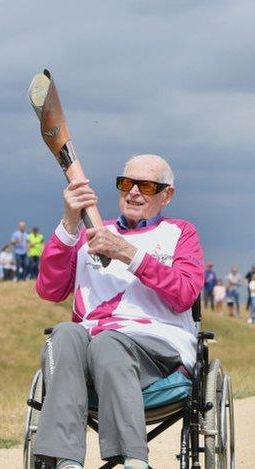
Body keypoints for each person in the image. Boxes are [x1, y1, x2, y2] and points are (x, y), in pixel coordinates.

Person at [33, 154, 203, 468]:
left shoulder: (180, 233)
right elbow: (49, 289)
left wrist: (126, 252)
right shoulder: (90, 233)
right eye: (126, 183)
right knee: (64, 333)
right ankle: (66, 461)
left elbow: (185, 293)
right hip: (90, 343)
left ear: (167, 195)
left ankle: (134, 461)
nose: (134, 192)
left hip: (157, 346)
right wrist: (70, 221)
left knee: (109, 341)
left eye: (147, 185)